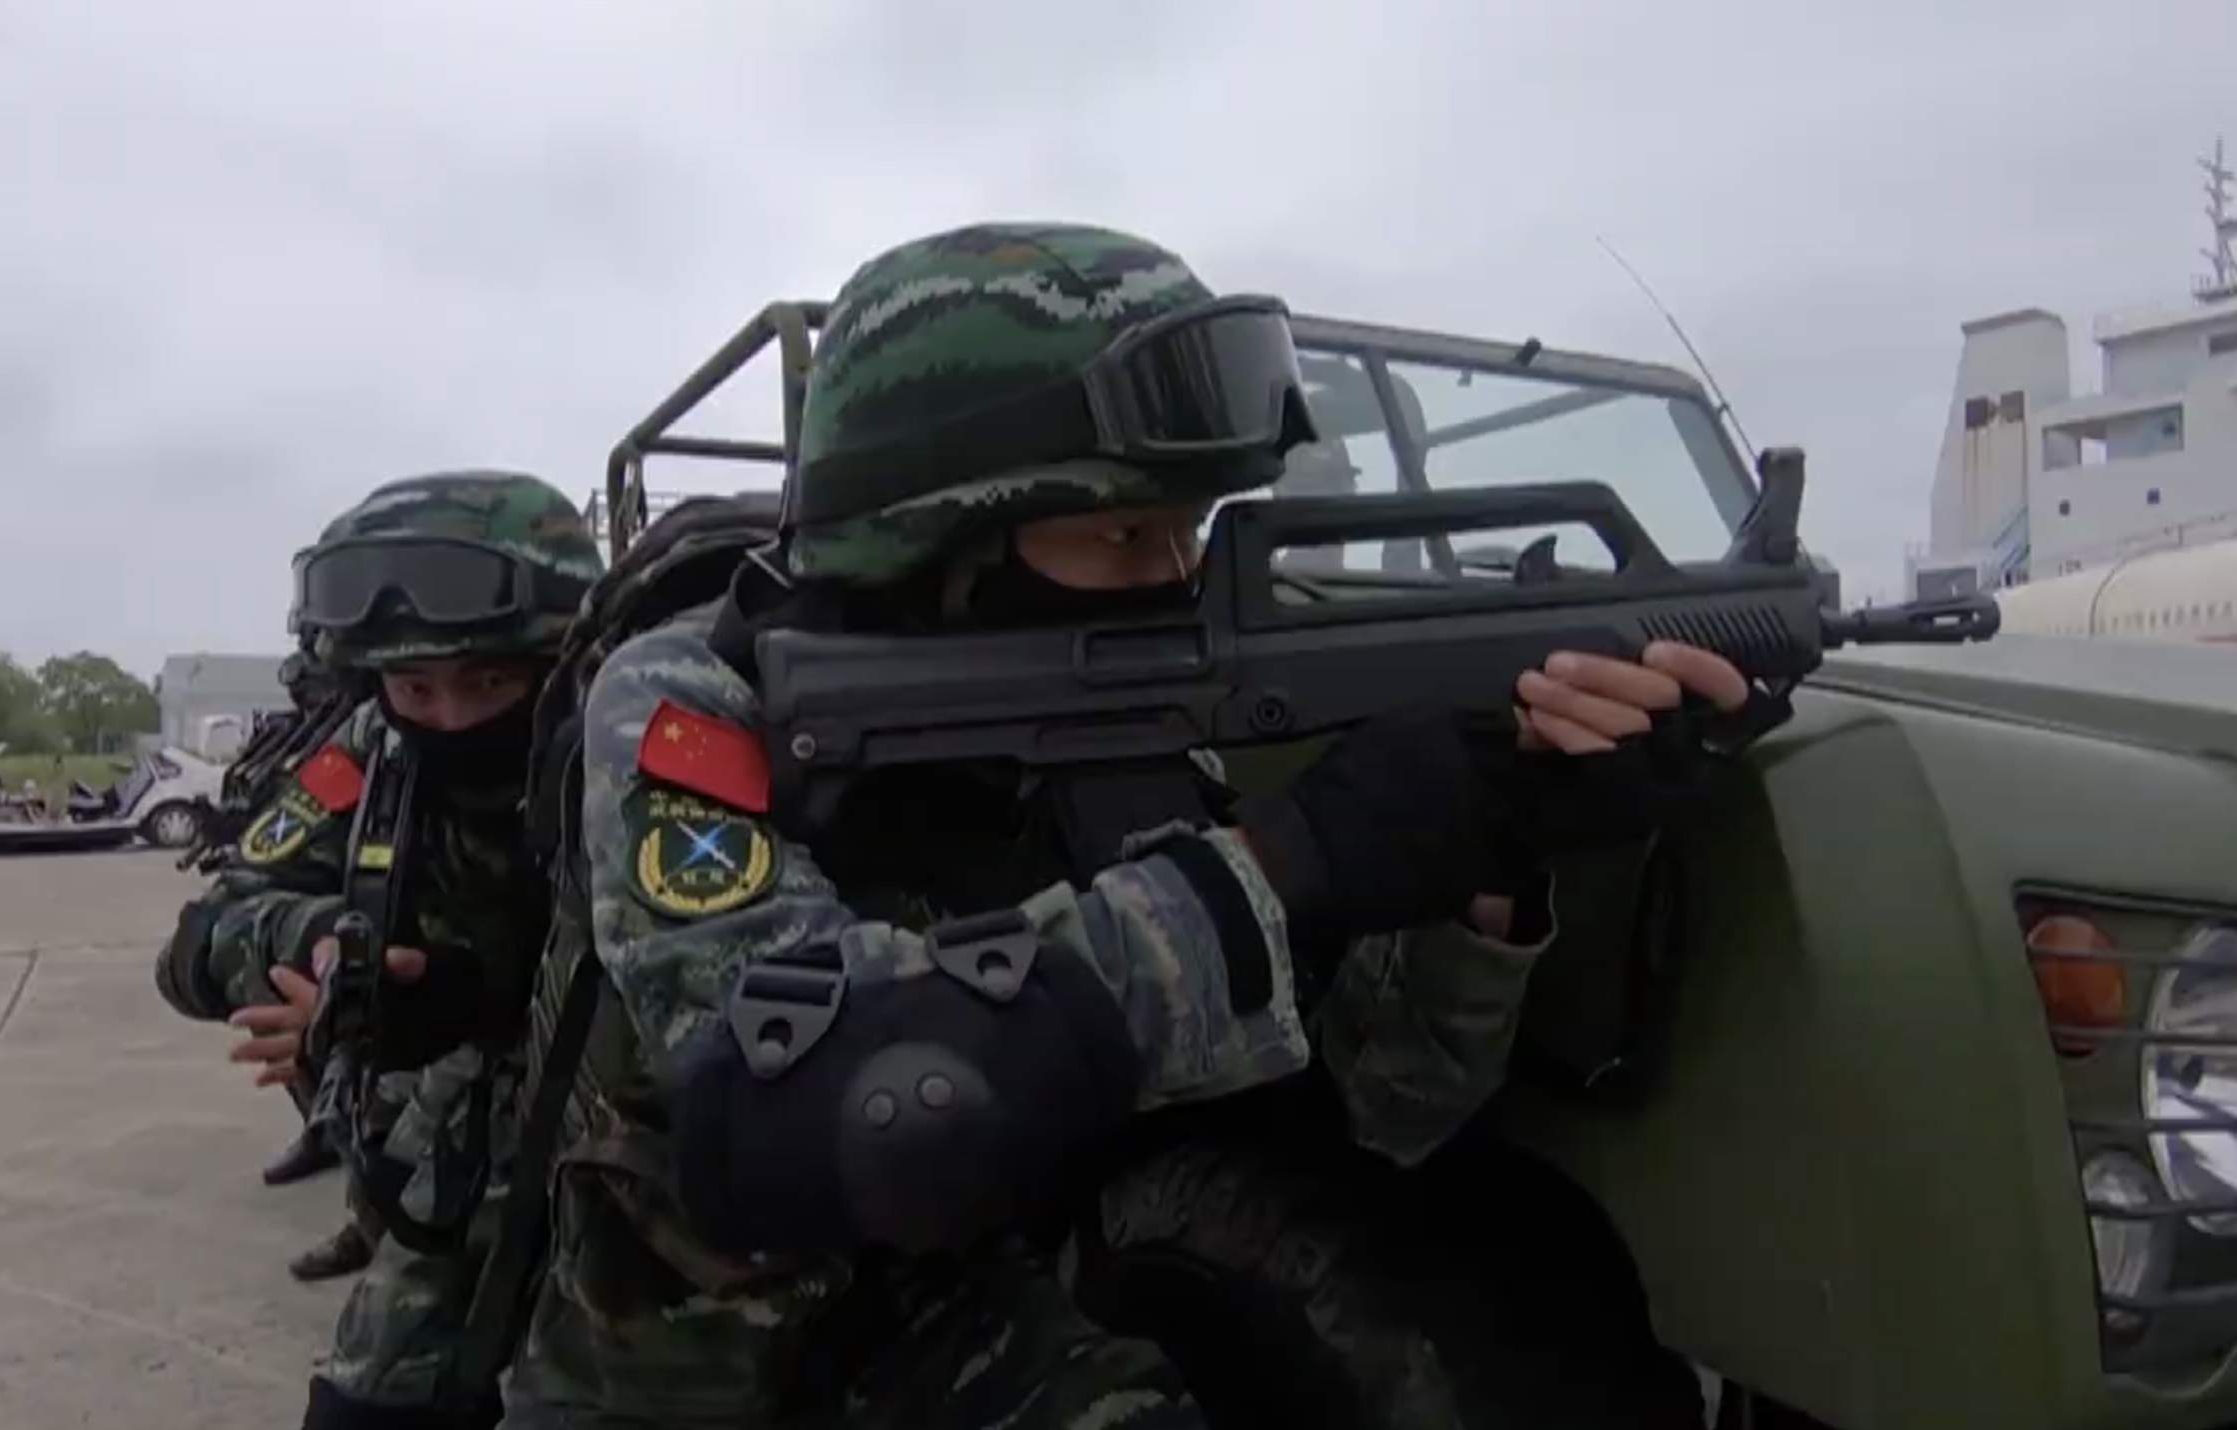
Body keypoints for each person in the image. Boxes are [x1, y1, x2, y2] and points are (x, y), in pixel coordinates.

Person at [497, 223, 1754, 1427]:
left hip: (957, 1315)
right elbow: (798, 1105)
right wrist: (1291, 859)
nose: (1174, 574)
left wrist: (1488, 846)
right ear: (934, 530)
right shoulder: (692, 698)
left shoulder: (1124, 716)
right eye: (1121, 533)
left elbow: (1384, 1111)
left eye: (1187, 527)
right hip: (679, 1371)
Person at [149, 470, 602, 1418]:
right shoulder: (375, 750)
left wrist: (484, 990)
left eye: (490, 681)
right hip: (459, 1155)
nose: (449, 718)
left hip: (633, 1163)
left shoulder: (631, 737)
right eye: (413, 686)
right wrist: (331, 952)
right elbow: (199, 940)